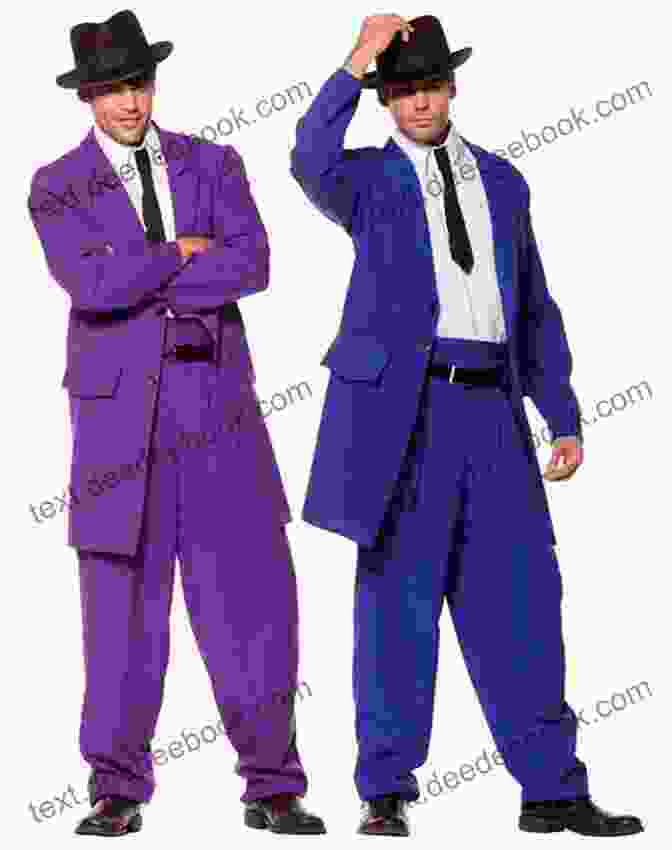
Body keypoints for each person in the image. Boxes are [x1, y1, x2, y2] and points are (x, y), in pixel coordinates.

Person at [290, 13, 643, 838]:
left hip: (492, 414)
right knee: (396, 611)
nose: (418, 101)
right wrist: (358, 59)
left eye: (430, 84)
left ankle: (552, 787)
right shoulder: (364, 182)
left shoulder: (506, 181)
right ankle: (385, 790)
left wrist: (561, 413)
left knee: (522, 602)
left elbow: (535, 307)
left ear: (454, 86)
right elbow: (306, 156)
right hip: (401, 418)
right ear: (386, 101)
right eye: (402, 89)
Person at [28, 9, 325, 837]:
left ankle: (273, 786)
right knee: (120, 613)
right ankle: (116, 789)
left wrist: (147, 273)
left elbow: (253, 261)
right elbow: (89, 287)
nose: (128, 102)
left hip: (217, 409)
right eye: (110, 88)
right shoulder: (56, 183)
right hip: (118, 427)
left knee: (253, 602)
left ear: (152, 81)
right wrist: (181, 255)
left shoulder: (214, 162)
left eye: (138, 82)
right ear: (86, 94)